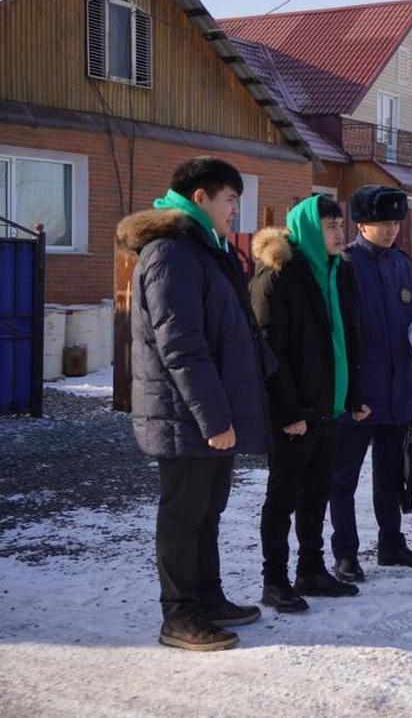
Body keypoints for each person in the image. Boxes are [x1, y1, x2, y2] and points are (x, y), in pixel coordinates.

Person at [117, 157, 272, 652]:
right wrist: (214, 418)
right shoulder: (171, 254)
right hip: (186, 416)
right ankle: (179, 615)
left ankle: (207, 597)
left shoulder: (203, 250)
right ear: (200, 198)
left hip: (206, 413)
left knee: (207, 510)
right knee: (184, 515)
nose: (235, 212)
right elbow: (181, 345)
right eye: (230, 201)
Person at [250, 195, 371, 612]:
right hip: (294, 412)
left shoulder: (340, 272)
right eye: (331, 225)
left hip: (328, 406)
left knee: (317, 492)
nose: (341, 232)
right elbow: (269, 352)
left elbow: (348, 337)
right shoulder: (278, 276)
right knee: (283, 495)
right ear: (308, 229)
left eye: (341, 224)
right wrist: (288, 413)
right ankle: (274, 580)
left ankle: (311, 571)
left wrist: (354, 395)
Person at [329, 186, 412, 583]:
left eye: (394, 223)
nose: (391, 230)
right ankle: (346, 553)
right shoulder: (346, 265)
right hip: (357, 395)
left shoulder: (403, 265)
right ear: (361, 224)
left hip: (396, 392)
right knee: (343, 477)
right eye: (382, 223)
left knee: (391, 474)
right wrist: (348, 390)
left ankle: (391, 543)